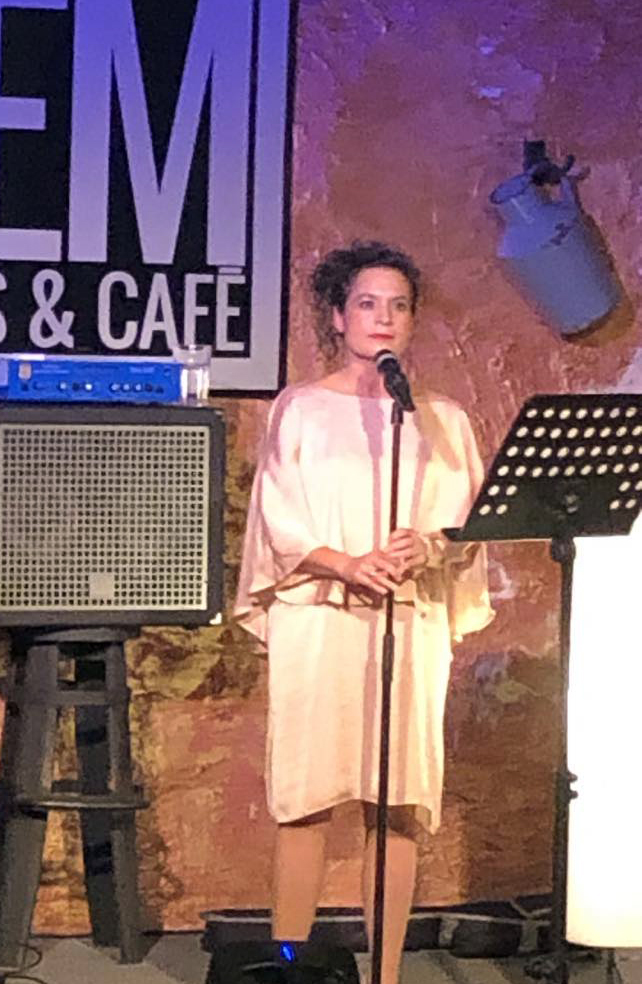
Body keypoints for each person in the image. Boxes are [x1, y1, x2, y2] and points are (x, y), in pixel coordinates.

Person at [234, 243, 494, 984]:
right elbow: (279, 520)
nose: (384, 318)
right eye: (368, 304)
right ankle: (289, 963)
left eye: (399, 306)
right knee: (307, 798)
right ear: (339, 316)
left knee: (397, 800)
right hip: (322, 617)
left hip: (406, 621)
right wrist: (345, 562)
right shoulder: (301, 409)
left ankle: (386, 974)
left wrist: (430, 545)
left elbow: (466, 524)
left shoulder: (441, 418)